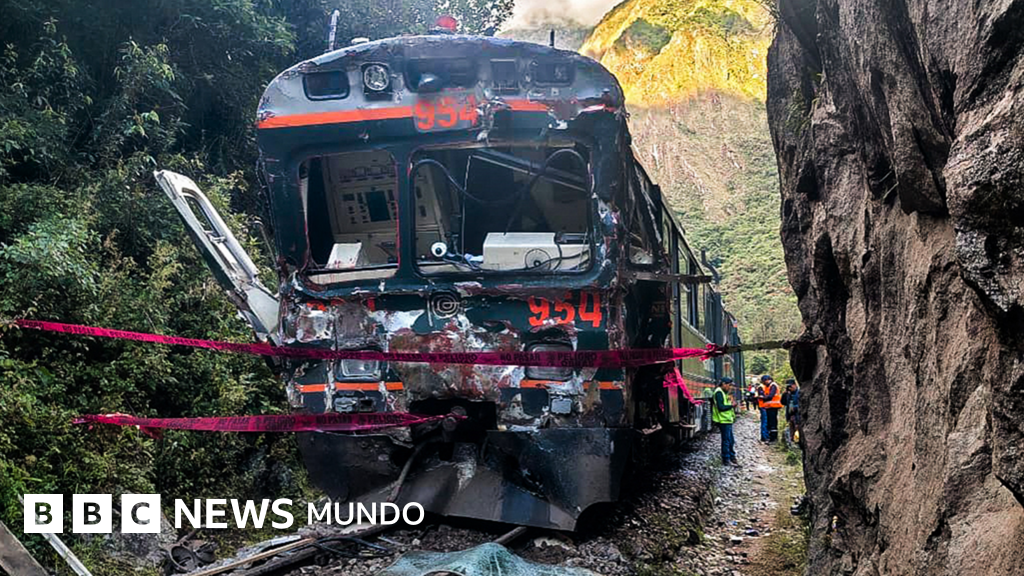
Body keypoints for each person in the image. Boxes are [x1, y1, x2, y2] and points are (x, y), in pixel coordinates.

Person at [712, 377, 738, 466]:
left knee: (730, 440)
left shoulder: (723, 392)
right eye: (729, 385)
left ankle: (731, 457)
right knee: (727, 440)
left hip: (727, 420)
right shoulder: (719, 392)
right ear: (723, 384)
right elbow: (721, 407)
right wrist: (731, 406)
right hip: (723, 420)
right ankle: (726, 459)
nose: (730, 387)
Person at [760, 375, 783, 443]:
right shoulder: (768, 386)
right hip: (769, 407)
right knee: (770, 423)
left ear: (767, 380)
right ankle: (771, 437)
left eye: (764, 381)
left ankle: (773, 438)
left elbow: (770, 396)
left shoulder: (773, 386)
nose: (763, 383)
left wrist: (763, 397)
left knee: (773, 423)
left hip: (773, 406)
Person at [783, 379, 800, 444]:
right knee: (791, 430)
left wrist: (795, 408)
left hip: (797, 415)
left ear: (794, 385)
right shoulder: (788, 394)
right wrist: (784, 394)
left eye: (790, 386)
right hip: (790, 415)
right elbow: (783, 402)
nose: (790, 388)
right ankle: (792, 444)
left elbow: (803, 404)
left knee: (797, 430)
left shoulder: (799, 393)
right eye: (788, 387)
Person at [756, 376, 769, 442]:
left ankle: (765, 436)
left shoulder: (764, 386)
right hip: (763, 406)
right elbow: (761, 396)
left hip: (764, 406)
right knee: (765, 421)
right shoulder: (761, 387)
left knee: (765, 421)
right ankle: (764, 437)